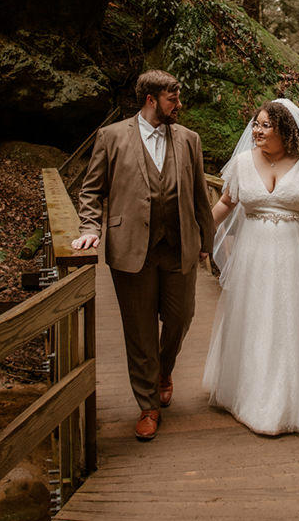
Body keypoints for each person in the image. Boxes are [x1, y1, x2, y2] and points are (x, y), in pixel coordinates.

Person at [71, 69, 216, 441]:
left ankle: (164, 370)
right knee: (139, 331)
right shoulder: (112, 136)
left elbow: (201, 195)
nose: (178, 105)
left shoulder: (190, 140)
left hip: (179, 246)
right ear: (151, 100)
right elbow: (91, 191)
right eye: (173, 99)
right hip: (131, 249)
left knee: (182, 317)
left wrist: (207, 240)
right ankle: (148, 405)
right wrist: (90, 229)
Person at [202, 98, 299, 435]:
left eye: (266, 125)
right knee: (254, 321)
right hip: (253, 258)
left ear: (286, 131)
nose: (257, 131)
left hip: (297, 258)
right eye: (256, 124)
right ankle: (250, 397)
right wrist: (200, 235)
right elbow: (225, 202)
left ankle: (290, 403)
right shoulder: (240, 163)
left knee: (290, 324)